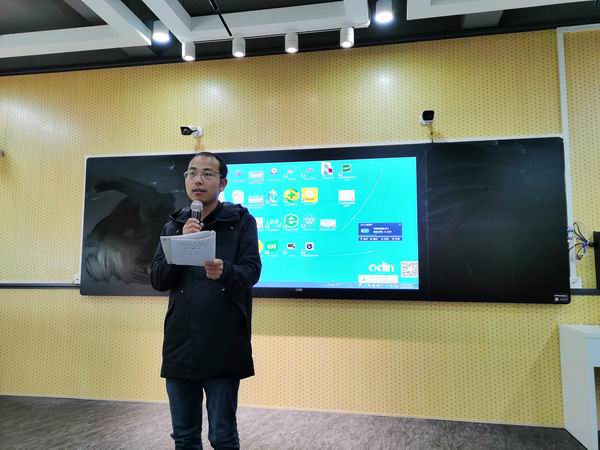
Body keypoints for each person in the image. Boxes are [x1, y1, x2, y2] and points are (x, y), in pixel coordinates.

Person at [151, 152, 262, 450]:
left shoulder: (241, 221)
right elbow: (158, 280)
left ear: (222, 183)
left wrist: (226, 271)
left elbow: (252, 272)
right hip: (181, 342)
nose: (198, 180)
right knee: (184, 436)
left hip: (223, 340)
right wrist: (182, 243)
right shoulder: (174, 225)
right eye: (192, 173)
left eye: (207, 174)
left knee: (222, 436)